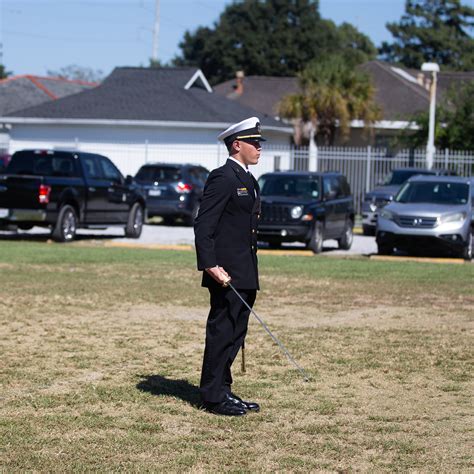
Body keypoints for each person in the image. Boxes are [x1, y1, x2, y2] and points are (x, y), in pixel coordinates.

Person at [194, 117, 264, 416]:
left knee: (236, 334)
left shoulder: (249, 179)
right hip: (225, 273)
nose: (259, 148)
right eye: (254, 143)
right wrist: (210, 265)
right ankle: (211, 396)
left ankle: (223, 389)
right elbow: (203, 225)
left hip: (245, 270)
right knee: (222, 332)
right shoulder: (222, 177)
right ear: (237, 145)